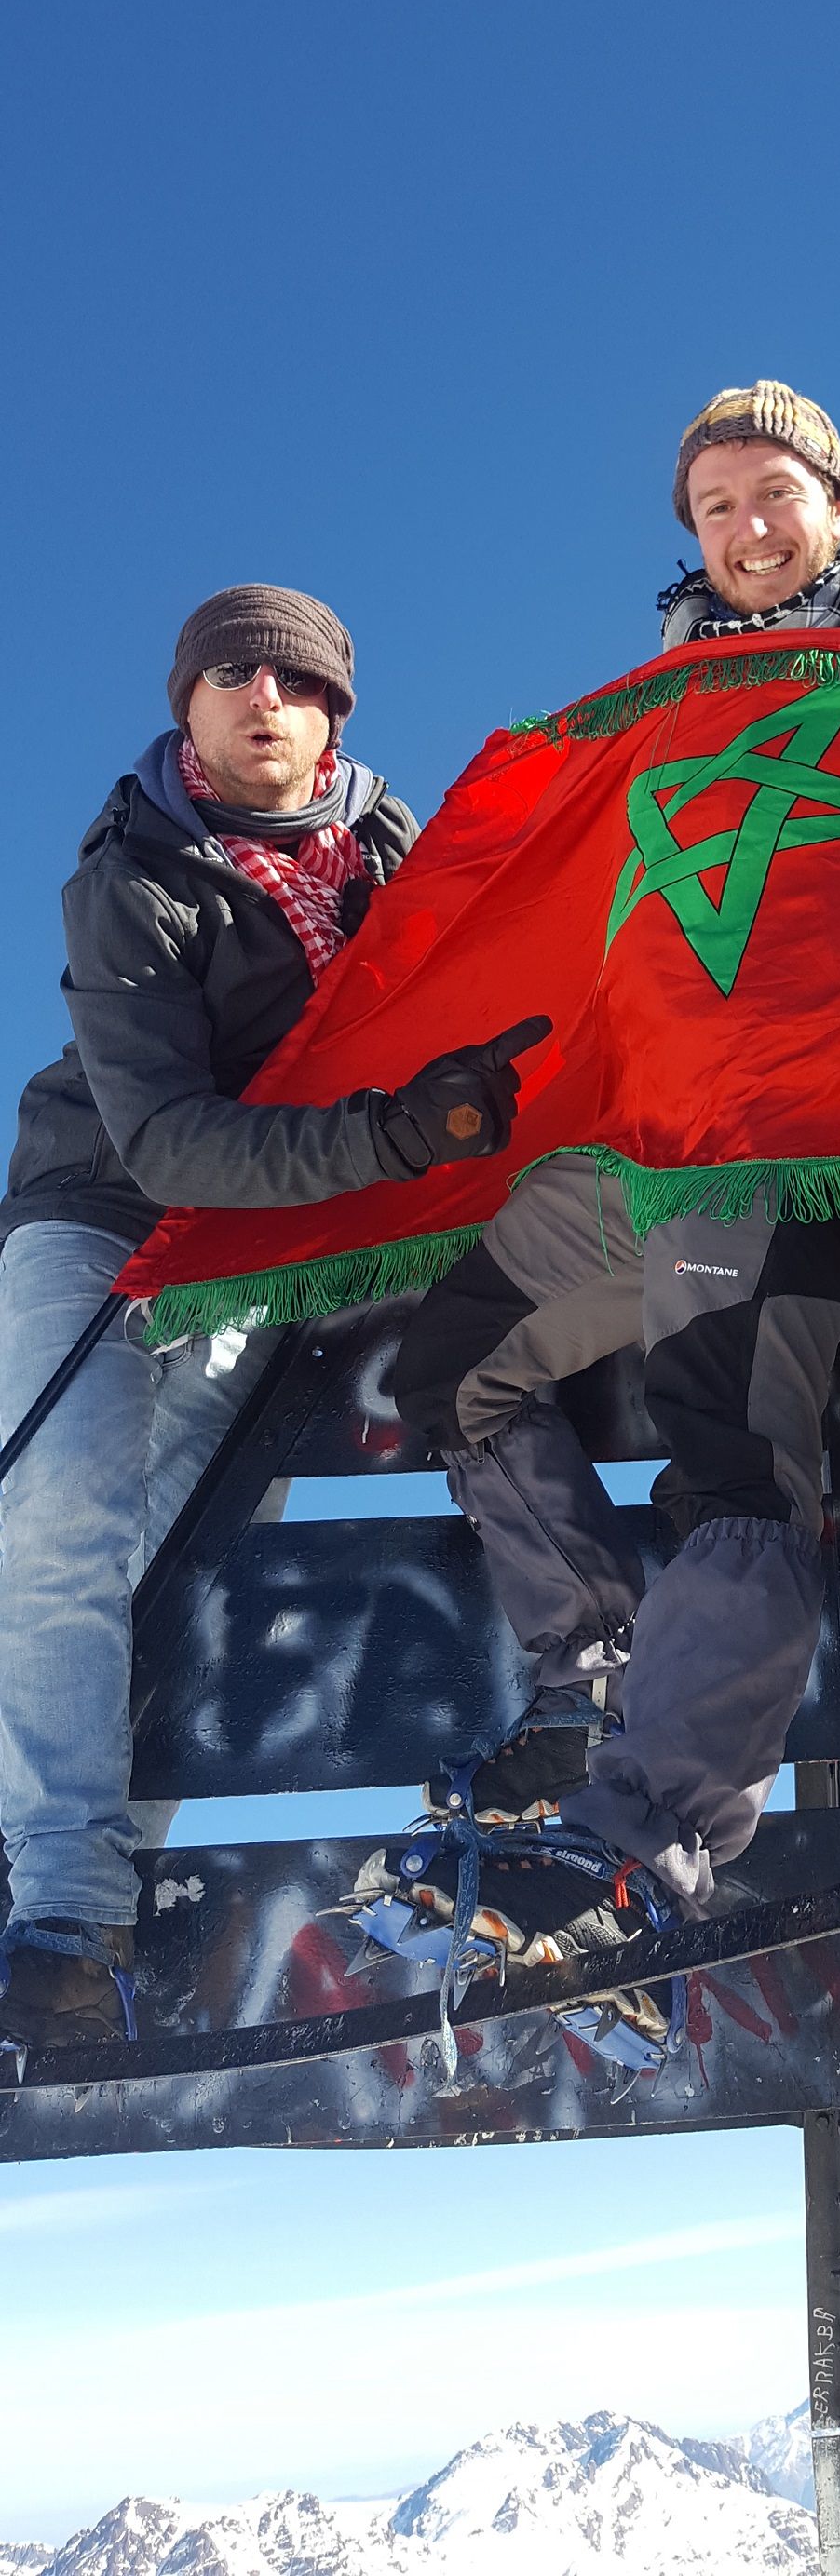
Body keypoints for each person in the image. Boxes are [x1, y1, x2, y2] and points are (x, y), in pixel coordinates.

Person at [370, 383, 840, 1976]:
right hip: (638, 1142)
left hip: (779, 1149)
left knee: (734, 1467)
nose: (744, 529)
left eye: (772, 494)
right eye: (714, 508)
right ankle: (594, 1664)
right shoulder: (650, 709)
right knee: (450, 1373)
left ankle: (644, 1837)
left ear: (837, 503)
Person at [0, 584, 545, 2046]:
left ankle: (78, 1844)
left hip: (269, 1245)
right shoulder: (132, 874)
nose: (264, 699)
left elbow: (501, 982)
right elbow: (171, 1139)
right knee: (58, 1518)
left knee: (170, 1535)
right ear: (186, 703)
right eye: (231, 675)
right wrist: (391, 1139)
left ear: (331, 717)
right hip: (104, 1207)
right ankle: (62, 1907)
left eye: (298, 683)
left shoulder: (395, 855)